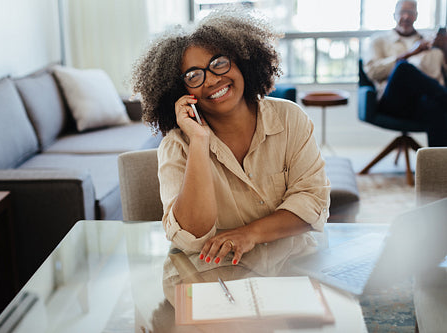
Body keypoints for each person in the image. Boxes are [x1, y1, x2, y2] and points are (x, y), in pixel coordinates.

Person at [131, 8, 330, 305]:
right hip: (214, 276)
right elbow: (191, 236)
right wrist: (199, 141)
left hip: (295, 267)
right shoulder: (177, 146)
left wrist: (249, 234)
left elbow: (313, 202)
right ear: (180, 89)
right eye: (194, 75)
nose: (211, 80)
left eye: (219, 63)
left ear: (241, 61)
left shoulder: (290, 118)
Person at [364, 0, 447, 146]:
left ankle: (437, 166)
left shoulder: (429, 42)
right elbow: (372, 72)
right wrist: (410, 53)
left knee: (435, 107)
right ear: (394, 15)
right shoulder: (379, 41)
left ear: (416, 16)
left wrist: (444, 49)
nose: (406, 17)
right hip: (392, 102)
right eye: (402, 12)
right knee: (403, 68)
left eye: (411, 12)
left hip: (422, 102)